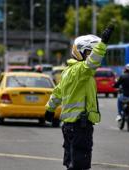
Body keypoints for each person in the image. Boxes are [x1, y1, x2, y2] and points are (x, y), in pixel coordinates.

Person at [44, 34, 107, 170]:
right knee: (80, 165)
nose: (91, 57)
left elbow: (57, 92)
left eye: (92, 53)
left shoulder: (67, 72)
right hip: (80, 126)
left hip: (69, 126)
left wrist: (49, 109)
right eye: (89, 53)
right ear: (79, 52)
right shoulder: (81, 71)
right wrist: (102, 45)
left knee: (71, 164)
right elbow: (92, 63)